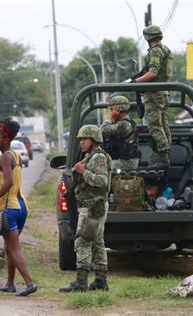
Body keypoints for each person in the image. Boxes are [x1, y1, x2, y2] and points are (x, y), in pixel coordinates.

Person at [0, 118, 37, 296]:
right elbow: (8, 172)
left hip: (9, 207)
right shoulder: (14, 155)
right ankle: (10, 283)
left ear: (6, 139)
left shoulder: (5, 156)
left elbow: (9, 181)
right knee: (9, 246)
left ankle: (29, 283)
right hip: (21, 206)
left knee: (13, 248)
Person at [59, 125, 112, 292]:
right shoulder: (91, 156)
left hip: (92, 208)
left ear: (94, 140)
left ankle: (81, 283)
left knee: (82, 242)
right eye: (81, 139)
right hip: (92, 207)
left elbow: (102, 181)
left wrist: (83, 172)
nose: (81, 142)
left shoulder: (98, 158)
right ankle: (101, 282)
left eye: (85, 139)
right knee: (97, 243)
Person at [131, 25, 174, 169]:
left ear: (148, 38)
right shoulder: (165, 49)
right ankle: (165, 154)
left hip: (155, 94)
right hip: (162, 93)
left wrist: (136, 82)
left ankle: (163, 156)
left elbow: (153, 73)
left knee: (155, 126)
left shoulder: (155, 51)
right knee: (163, 125)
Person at [100, 96, 139, 173]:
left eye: (111, 110)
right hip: (124, 161)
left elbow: (102, 130)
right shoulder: (125, 123)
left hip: (127, 163)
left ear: (117, 110)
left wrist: (110, 118)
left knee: (99, 167)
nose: (110, 112)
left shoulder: (123, 125)